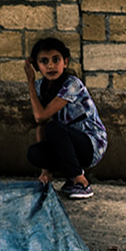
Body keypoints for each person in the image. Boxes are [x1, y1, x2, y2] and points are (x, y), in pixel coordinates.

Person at [22, 35, 106, 201]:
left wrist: (30, 81)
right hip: (66, 143)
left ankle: (81, 181)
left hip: (91, 143)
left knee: (54, 128)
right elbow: (40, 125)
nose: (51, 65)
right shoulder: (41, 87)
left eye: (56, 60)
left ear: (65, 62)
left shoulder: (72, 84)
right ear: (37, 66)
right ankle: (70, 177)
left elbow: (41, 117)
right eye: (44, 61)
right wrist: (45, 170)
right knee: (35, 153)